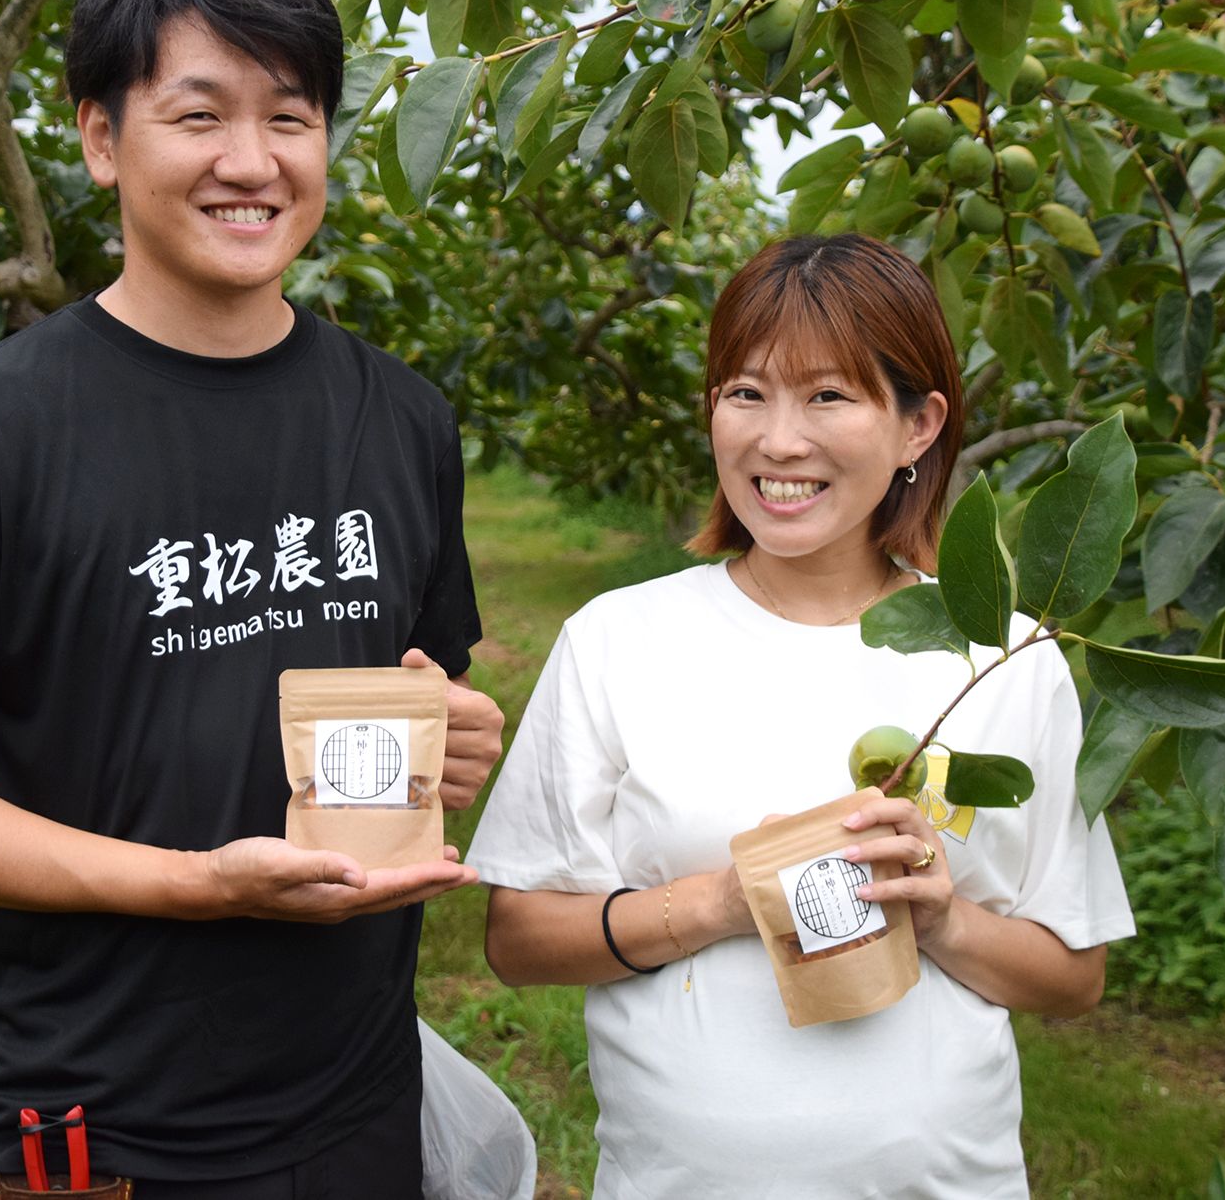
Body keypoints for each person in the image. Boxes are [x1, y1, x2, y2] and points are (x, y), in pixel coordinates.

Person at [0, 0, 505, 1199]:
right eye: (198, 115)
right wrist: (193, 887)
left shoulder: (400, 420)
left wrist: (453, 733)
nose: (252, 162)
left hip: (355, 1104)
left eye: (291, 118)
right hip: (98, 1131)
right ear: (97, 137)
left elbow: (406, 709)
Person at [468, 233, 1135, 1198]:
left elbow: (1073, 978)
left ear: (918, 426)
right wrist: (719, 904)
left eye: (828, 395)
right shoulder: (619, 639)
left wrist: (941, 917)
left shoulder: (1000, 659)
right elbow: (518, 940)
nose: (779, 441)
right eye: (746, 393)